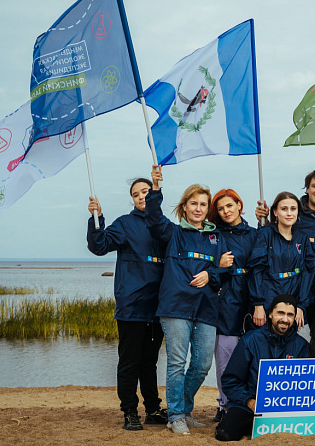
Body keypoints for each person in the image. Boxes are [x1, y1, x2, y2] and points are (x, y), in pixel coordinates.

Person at [145, 167, 231, 435]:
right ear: (184, 207)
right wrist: (156, 190)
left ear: (208, 209)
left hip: (206, 307)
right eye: (193, 203)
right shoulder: (173, 233)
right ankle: (176, 415)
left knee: (203, 362)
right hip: (175, 307)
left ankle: (184, 407)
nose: (198, 208)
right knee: (176, 363)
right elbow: (153, 217)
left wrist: (211, 272)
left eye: (203, 204)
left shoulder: (216, 237)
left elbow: (224, 270)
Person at [86, 179, 167, 431]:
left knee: (150, 362)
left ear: (155, 194)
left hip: (159, 308)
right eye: (136, 194)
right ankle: (130, 411)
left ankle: (152, 409)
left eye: (146, 192)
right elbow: (98, 246)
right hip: (132, 306)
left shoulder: (165, 226)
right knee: (130, 361)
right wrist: (96, 218)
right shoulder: (125, 224)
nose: (141, 197)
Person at [215, 294, 309, 442]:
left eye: (290, 315)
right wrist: (249, 401)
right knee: (224, 433)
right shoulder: (250, 340)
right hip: (251, 405)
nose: (285, 319)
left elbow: (307, 385)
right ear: (270, 313)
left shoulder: (302, 346)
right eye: (280, 313)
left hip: (286, 408)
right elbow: (230, 380)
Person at [256, 169, 315, 326]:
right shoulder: (296, 212)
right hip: (296, 288)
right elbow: (275, 237)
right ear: (307, 188)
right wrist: (264, 220)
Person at [207, 188, 258, 423]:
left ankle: (252, 402)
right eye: (220, 208)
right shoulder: (214, 235)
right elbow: (206, 269)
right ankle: (225, 405)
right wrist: (218, 265)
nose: (226, 211)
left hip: (253, 300)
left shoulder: (257, 233)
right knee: (225, 359)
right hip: (225, 303)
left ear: (239, 205)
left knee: (253, 359)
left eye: (229, 205)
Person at [248, 192, 314, 331]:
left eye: (293, 209)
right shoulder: (265, 234)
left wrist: (301, 305)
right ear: (275, 212)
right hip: (268, 300)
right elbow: (256, 270)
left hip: (294, 302)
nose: (289, 213)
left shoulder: (303, 239)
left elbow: (308, 273)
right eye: (284, 209)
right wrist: (258, 304)